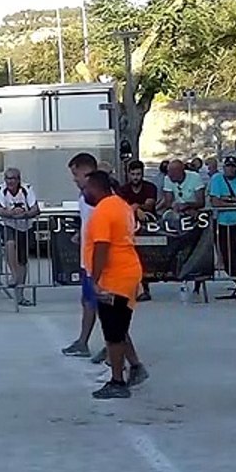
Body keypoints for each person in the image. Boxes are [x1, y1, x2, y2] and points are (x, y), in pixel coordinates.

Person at [82, 171, 147, 400]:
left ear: (96, 188)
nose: (84, 192)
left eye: (87, 187)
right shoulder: (121, 204)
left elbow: (102, 247)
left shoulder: (103, 210)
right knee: (118, 326)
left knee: (113, 332)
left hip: (114, 278)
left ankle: (117, 381)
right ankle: (135, 367)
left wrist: (95, 279)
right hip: (127, 273)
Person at [61, 152, 105, 361]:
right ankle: (86, 342)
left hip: (96, 260)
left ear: (86, 172)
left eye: (75, 174)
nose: (74, 180)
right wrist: (82, 233)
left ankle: (114, 348)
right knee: (89, 301)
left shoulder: (96, 196)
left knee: (102, 304)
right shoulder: (87, 196)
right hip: (88, 258)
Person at [207, 156, 236, 304]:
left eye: (233, 167)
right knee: (227, 256)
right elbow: (215, 202)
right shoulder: (217, 179)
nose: (230, 169)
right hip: (224, 223)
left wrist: (228, 200)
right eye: (228, 166)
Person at [0, 168, 39, 306]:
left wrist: (25, 214)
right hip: (8, 224)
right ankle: (13, 275)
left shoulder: (27, 189)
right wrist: (12, 213)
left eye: (13, 178)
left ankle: (20, 294)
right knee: (9, 243)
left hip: (25, 226)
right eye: (8, 178)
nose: (10, 182)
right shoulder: (1, 189)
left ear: (19, 179)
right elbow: (0, 209)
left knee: (22, 261)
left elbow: (35, 209)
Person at [118, 160, 158, 301]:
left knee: (145, 258)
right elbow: (121, 207)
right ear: (128, 174)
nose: (136, 177)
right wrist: (135, 208)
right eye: (133, 174)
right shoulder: (123, 190)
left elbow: (150, 205)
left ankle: (144, 288)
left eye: (138, 174)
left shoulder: (150, 187)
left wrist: (136, 207)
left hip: (148, 227)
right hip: (128, 228)